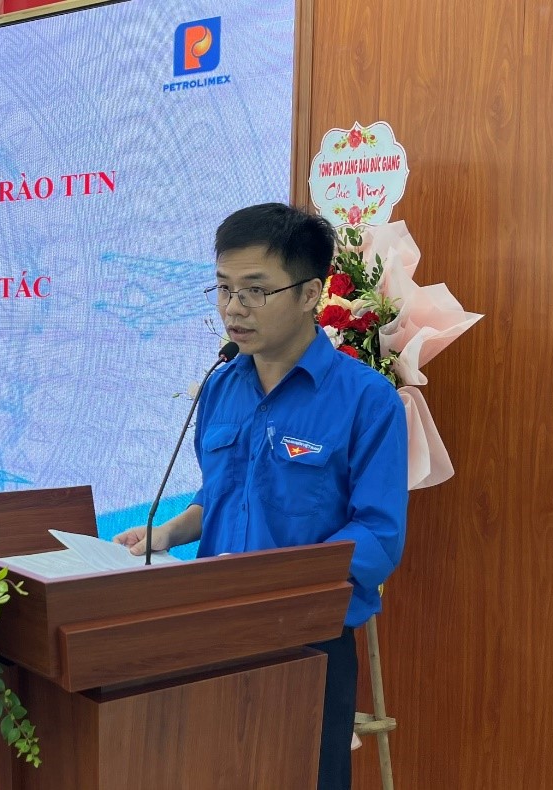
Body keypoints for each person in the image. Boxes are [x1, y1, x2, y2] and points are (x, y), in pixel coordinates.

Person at [114, 203, 408, 790]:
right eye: (223, 288)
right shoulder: (221, 387)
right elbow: (222, 495)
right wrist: (169, 532)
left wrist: (272, 582)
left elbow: (377, 538)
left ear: (309, 294)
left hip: (308, 645)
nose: (233, 308)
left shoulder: (366, 400)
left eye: (254, 290)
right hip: (212, 633)